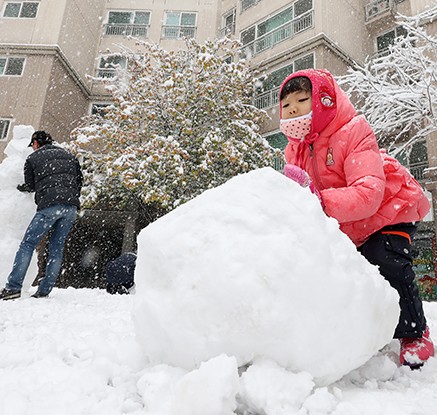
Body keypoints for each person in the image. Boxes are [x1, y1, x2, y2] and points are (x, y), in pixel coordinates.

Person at [279, 68, 434, 368]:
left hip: (390, 211)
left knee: (383, 257)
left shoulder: (352, 131)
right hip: (351, 224)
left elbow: (368, 194)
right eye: (286, 106)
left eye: (302, 100)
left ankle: (415, 333)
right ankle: (363, 332)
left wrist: (318, 200)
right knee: (339, 268)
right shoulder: (293, 151)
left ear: (324, 101)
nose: (293, 109)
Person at [0, 130, 82, 300]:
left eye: (33, 145)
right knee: (56, 247)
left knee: (28, 244)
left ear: (36, 143)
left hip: (49, 206)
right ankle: (44, 290)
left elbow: (30, 186)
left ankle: (13, 287)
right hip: (71, 207)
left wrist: (22, 188)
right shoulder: (69, 155)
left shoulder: (32, 158)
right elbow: (79, 180)